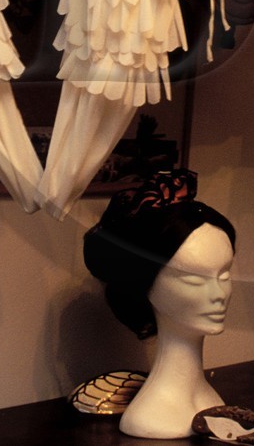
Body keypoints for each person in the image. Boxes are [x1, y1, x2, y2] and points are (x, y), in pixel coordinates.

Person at [82, 169, 237, 439]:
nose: (219, 293)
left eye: (224, 275)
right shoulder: (149, 417)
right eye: (193, 279)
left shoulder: (211, 399)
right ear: (145, 283)